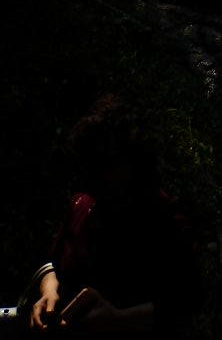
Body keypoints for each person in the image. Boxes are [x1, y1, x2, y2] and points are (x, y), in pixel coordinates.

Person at [30, 97, 201, 334]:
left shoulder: (166, 225)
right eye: (88, 163)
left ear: (134, 163)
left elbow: (183, 305)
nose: (92, 174)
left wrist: (120, 319)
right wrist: (48, 291)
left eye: (105, 163)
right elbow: (51, 262)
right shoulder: (83, 205)